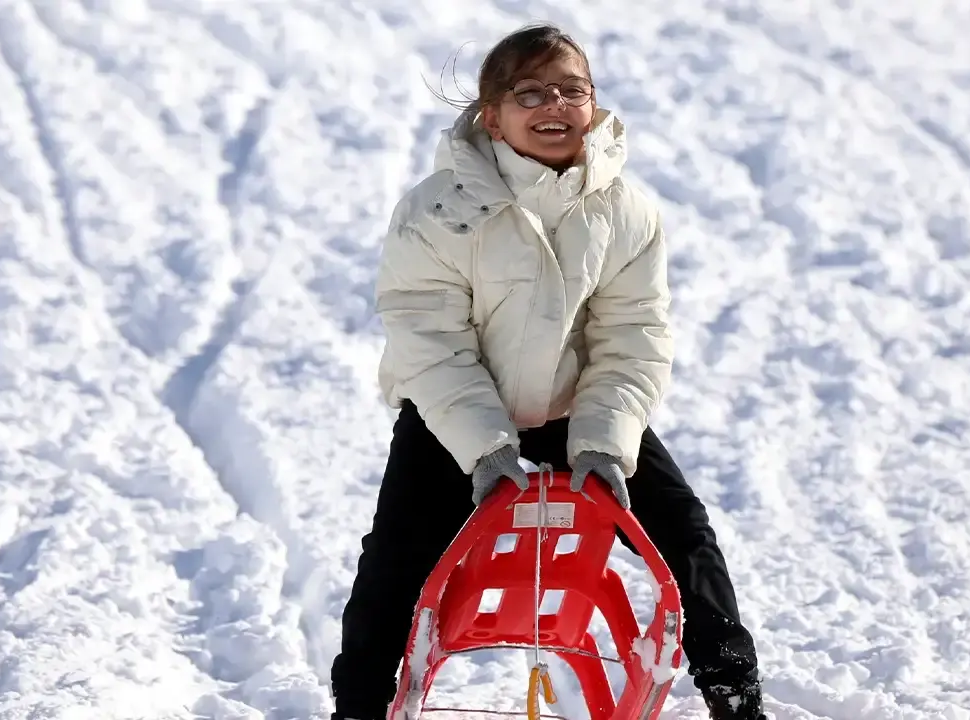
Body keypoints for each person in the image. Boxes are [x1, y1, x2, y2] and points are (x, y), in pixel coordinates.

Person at [329, 23, 767, 720]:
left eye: (571, 90)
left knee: (684, 532)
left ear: (592, 103)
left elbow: (631, 335)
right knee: (396, 559)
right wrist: (484, 446)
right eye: (530, 92)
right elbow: (428, 339)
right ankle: (358, 705)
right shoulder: (439, 211)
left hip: (573, 409)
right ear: (492, 116)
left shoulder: (623, 210)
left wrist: (602, 443)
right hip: (458, 413)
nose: (553, 105)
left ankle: (734, 693)